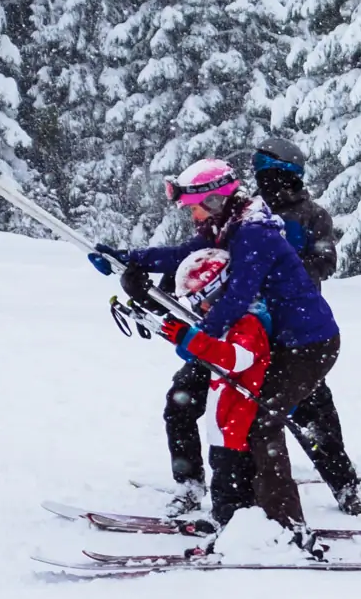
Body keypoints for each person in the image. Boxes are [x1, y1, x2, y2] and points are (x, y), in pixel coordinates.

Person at [94, 158, 341, 541]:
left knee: (264, 424)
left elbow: (236, 299)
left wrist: (199, 342)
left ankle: (287, 527)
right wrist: (129, 258)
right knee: (235, 420)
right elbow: (182, 255)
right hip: (263, 339)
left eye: (194, 205)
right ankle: (241, 510)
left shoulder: (253, 233)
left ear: (214, 200)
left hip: (304, 344)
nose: (190, 213)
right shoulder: (227, 225)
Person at [252, 138, 361, 515]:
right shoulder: (250, 210)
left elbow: (325, 261)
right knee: (248, 408)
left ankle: (345, 485)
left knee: (313, 410)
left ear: (287, 173)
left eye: (268, 172)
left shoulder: (310, 214)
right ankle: (244, 481)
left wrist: (281, 267)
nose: (262, 180)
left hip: (297, 331)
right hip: (253, 329)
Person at [154, 247, 271, 530]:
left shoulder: (248, 321)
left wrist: (193, 340)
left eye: (202, 300)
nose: (200, 309)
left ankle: (235, 520)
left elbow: (235, 358)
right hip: (224, 418)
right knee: (223, 464)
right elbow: (210, 351)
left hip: (238, 416)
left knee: (232, 468)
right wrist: (186, 339)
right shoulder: (228, 317)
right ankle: (223, 513)